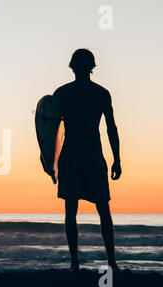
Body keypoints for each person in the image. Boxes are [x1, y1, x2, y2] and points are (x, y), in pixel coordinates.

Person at [53, 49, 122, 272]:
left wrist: (48, 161)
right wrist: (117, 159)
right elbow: (111, 128)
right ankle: (111, 262)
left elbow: (50, 132)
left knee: (70, 210)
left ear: (72, 66)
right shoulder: (101, 94)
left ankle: (75, 264)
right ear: (92, 66)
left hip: (71, 155)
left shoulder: (62, 94)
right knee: (103, 208)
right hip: (93, 154)